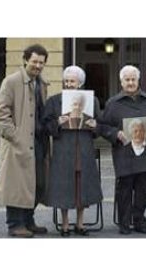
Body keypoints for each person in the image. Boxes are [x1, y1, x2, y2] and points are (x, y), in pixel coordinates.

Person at [98, 65, 146, 235]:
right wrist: (115, 133)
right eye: (127, 80)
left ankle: (140, 221)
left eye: (133, 79)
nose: (130, 83)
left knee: (143, 190)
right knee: (125, 190)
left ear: (138, 80)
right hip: (124, 153)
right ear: (121, 82)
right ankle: (124, 223)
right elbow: (102, 126)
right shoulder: (113, 103)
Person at [0, 44, 50, 238]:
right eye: (34, 61)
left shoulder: (41, 84)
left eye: (41, 62)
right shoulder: (11, 82)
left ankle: (28, 221)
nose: (37, 65)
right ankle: (15, 224)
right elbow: (1, 113)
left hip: (38, 142)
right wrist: (15, 136)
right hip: (18, 144)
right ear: (25, 59)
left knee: (36, 184)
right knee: (16, 185)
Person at [43, 65, 103, 237]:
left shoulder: (93, 101)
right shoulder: (54, 101)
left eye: (73, 81)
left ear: (80, 83)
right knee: (64, 186)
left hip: (84, 149)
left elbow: (100, 126)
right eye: (67, 81)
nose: (69, 84)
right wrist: (57, 123)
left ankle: (80, 223)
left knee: (81, 186)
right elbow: (45, 126)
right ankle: (65, 224)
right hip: (63, 150)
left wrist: (94, 126)